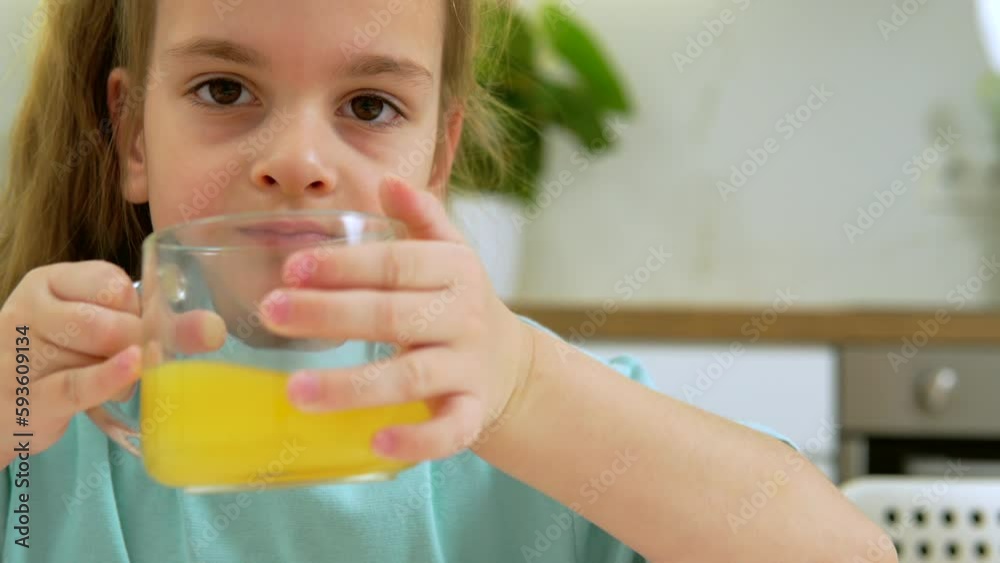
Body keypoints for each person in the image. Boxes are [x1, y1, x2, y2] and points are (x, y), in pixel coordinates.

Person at [0, 1, 893, 562]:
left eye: (369, 106)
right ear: (134, 136)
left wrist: (525, 387)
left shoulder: (528, 422)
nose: (299, 160)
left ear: (437, 158)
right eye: (225, 89)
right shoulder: (38, 425)